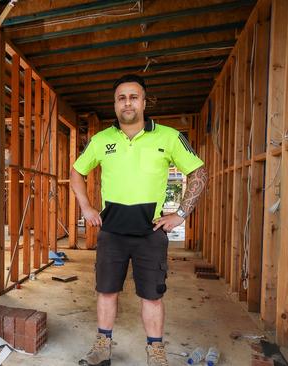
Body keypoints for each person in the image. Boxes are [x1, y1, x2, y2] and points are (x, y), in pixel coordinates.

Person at [70, 74, 208, 366]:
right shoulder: (101, 140)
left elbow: (198, 172)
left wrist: (181, 213)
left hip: (150, 232)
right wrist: (85, 207)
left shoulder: (168, 137)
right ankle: (102, 348)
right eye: (121, 98)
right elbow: (77, 171)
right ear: (115, 104)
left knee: (152, 295)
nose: (127, 103)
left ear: (144, 102)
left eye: (133, 97)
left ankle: (155, 352)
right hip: (112, 232)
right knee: (106, 291)